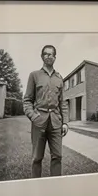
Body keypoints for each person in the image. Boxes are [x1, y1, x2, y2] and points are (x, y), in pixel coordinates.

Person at [22, 44, 69, 178]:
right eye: (46, 54)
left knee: (58, 156)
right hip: (39, 121)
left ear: (55, 57)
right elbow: (27, 100)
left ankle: (55, 188)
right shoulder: (34, 75)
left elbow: (62, 102)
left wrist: (65, 122)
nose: (49, 56)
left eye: (51, 54)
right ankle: (36, 186)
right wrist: (33, 116)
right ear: (42, 56)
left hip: (56, 122)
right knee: (37, 158)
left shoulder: (59, 78)